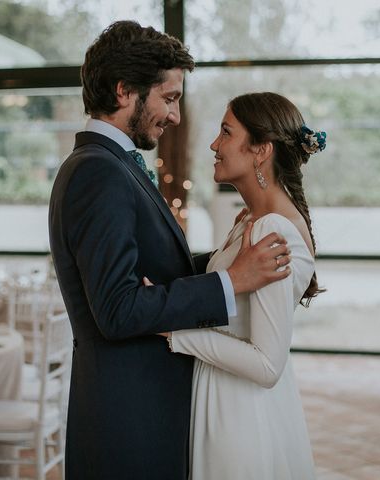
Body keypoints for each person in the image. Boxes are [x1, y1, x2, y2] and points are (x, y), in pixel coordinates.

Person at [48, 22, 291, 479]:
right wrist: (232, 281)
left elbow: (150, 265)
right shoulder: (99, 173)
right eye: (170, 98)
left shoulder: (111, 164)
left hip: (139, 409)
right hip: (131, 420)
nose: (176, 117)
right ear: (124, 91)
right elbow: (117, 309)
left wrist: (224, 260)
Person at [155, 92, 326, 479]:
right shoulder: (252, 218)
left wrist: (173, 331)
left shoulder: (271, 229)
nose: (215, 145)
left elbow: (267, 364)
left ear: (260, 150)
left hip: (240, 415)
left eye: (226, 132)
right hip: (226, 399)